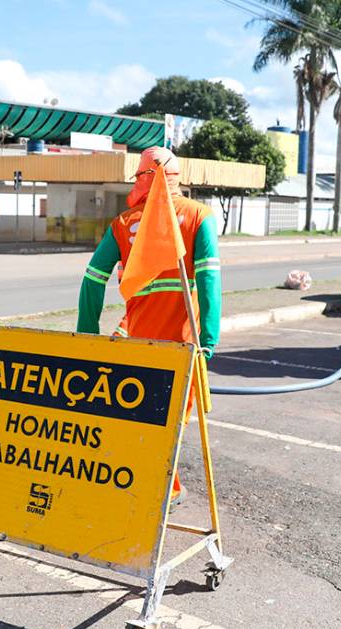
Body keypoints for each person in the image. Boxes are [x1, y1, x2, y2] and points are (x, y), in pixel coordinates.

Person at [76, 146, 222, 502]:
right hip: (184, 343)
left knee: (138, 416)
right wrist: (209, 338)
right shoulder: (199, 216)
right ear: (177, 176)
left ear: (143, 177)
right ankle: (163, 490)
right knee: (170, 422)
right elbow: (208, 281)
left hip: (139, 341)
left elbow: (93, 278)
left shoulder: (123, 224)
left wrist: (87, 333)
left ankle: (133, 480)